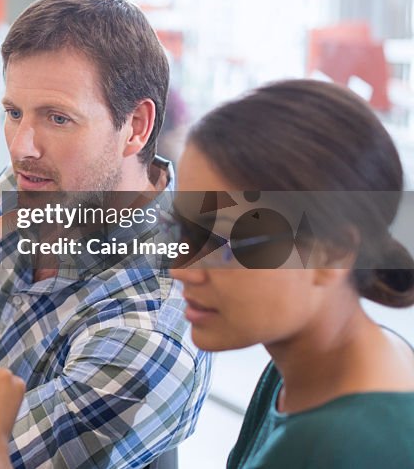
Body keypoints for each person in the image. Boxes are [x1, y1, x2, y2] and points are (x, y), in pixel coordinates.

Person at [0, 0, 211, 468]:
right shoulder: (37, 189)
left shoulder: (151, 331)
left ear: (137, 127)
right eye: (13, 112)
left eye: (58, 119)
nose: (21, 147)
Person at [170, 79, 414, 468]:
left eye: (231, 244)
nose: (182, 268)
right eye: (185, 231)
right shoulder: (296, 370)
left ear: (333, 252)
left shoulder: (349, 447)